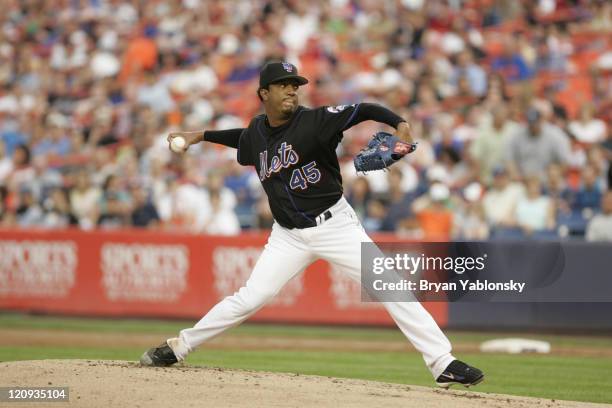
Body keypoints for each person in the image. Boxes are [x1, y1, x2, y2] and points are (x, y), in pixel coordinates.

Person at [140, 62, 484, 388]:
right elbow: (240, 138)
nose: (292, 91)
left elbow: (363, 109)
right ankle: (178, 347)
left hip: (336, 225)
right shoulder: (257, 133)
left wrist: (400, 124)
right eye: (283, 86)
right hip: (287, 236)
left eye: (295, 85)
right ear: (264, 94)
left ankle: (442, 363)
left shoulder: (316, 121)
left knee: (390, 285)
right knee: (249, 298)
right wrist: (199, 135)